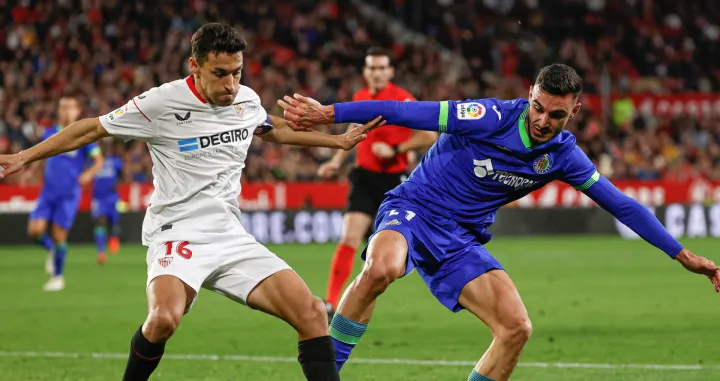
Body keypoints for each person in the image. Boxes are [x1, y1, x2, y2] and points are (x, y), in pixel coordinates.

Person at [278, 63, 720, 381]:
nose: (543, 120)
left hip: (460, 238)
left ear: (575, 112)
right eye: (538, 107)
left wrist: (681, 254)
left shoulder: (563, 155)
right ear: (530, 94)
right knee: (382, 267)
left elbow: (622, 205)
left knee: (516, 328)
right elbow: (404, 112)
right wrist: (329, 114)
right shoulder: (490, 116)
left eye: (557, 115)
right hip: (415, 209)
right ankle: (326, 371)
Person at [0, 23, 385, 381]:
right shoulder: (161, 103)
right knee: (164, 319)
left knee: (314, 313)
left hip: (229, 235)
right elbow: (92, 128)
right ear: (195, 66)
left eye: (237, 72)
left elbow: (271, 128)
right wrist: (24, 157)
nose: (231, 83)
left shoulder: (246, 100)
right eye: (220, 74)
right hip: (176, 233)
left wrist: (336, 141)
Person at [317, 47, 437, 317]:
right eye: (372, 68)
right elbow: (353, 130)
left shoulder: (403, 99)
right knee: (349, 237)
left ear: (390, 72)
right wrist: (337, 161)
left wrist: (397, 149)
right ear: (365, 72)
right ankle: (331, 302)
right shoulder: (360, 97)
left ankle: (361, 298)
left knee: (383, 251)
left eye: (382, 68)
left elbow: (428, 135)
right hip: (363, 176)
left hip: (393, 182)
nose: (377, 73)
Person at [24, 96, 104, 291]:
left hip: (68, 193)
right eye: (63, 107)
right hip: (48, 191)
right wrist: (30, 172)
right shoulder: (50, 132)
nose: (66, 111)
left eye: (70, 107)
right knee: (34, 231)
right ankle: (51, 249)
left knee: (59, 236)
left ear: (77, 112)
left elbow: (98, 161)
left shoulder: (83, 136)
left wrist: (88, 174)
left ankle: (58, 277)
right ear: (58, 111)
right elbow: (41, 156)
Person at [92, 138, 124, 263]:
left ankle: (114, 239)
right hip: (99, 198)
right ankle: (101, 252)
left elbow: (121, 175)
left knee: (114, 223)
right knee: (100, 222)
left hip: (112, 197)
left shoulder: (116, 161)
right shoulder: (94, 162)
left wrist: (118, 183)